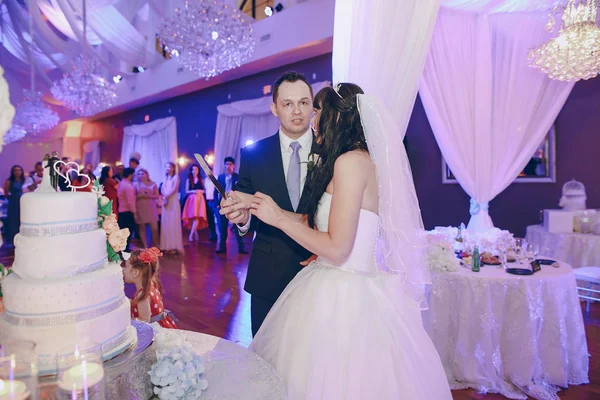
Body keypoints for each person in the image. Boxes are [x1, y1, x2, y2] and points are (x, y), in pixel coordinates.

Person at [222, 84, 452, 399]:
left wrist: (276, 218)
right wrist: (256, 204)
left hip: (346, 289)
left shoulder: (350, 163)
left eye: (316, 109)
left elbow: (338, 248)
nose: (312, 119)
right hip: (331, 278)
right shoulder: (351, 159)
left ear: (333, 116)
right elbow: (316, 223)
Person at [220, 72, 314, 334]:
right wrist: (241, 217)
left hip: (320, 273)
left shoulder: (330, 151)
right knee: (265, 360)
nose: (297, 111)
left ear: (313, 106)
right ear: (274, 108)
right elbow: (246, 209)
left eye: (304, 102)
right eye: (287, 104)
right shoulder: (253, 154)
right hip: (268, 274)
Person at [122, 248, 177, 329]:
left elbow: (144, 320)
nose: (123, 270)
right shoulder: (151, 284)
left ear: (135, 273)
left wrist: (125, 320)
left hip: (155, 330)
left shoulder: (142, 295)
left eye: (125, 266)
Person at [215, 157, 247, 255]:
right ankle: (222, 247)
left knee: (237, 227)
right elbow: (215, 191)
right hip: (223, 205)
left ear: (233, 166)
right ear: (224, 165)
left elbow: (241, 191)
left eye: (230, 164)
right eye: (226, 164)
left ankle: (241, 247)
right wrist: (216, 203)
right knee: (222, 228)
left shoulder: (237, 177)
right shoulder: (220, 177)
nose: (228, 166)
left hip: (235, 205)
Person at [160, 162, 183, 254]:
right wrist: (164, 197)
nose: (167, 169)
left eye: (169, 167)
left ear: (173, 168)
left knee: (173, 222)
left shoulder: (176, 177)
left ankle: (173, 246)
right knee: (166, 222)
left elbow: (174, 189)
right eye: (166, 167)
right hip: (165, 200)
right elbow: (162, 188)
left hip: (172, 201)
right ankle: (165, 245)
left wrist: (166, 197)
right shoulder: (165, 178)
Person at [181, 164, 208, 242]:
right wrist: (193, 191)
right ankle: (195, 233)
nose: (194, 171)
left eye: (196, 169)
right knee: (193, 216)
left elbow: (204, 190)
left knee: (197, 216)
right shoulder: (188, 180)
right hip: (191, 199)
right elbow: (186, 191)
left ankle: (191, 235)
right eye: (193, 169)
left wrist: (199, 191)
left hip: (199, 199)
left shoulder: (201, 179)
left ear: (198, 171)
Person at [135, 168, 160, 248]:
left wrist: (149, 196)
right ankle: (145, 246)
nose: (141, 175)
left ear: (147, 175)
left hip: (151, 207)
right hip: (141, 207)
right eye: (139, 174)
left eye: (142, 174)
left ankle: (156, 245)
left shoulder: (153, 184)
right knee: (142, 227)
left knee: (154, 228)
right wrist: (140, 196)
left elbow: (157, 195)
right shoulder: (135, 184)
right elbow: (133, 197)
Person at [3, 165, 25, 245]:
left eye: (19, 170)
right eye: (15, 170)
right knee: (13, 221)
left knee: (21, 219)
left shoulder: (24, 180)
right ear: (12, 172)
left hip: (22, 202)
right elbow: (6, 193)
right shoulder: (9, 181)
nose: (17, 172)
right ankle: (12, 239)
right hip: (13, 202)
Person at [117, 168, 137, 251]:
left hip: (121, 211)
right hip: (127, 212)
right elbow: (130, 202)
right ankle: (125, 249)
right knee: (128, 231)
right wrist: (135, 213)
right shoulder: (127, 186)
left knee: (123, 231)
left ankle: (122, 248)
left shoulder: (121, 183)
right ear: (130, 175)